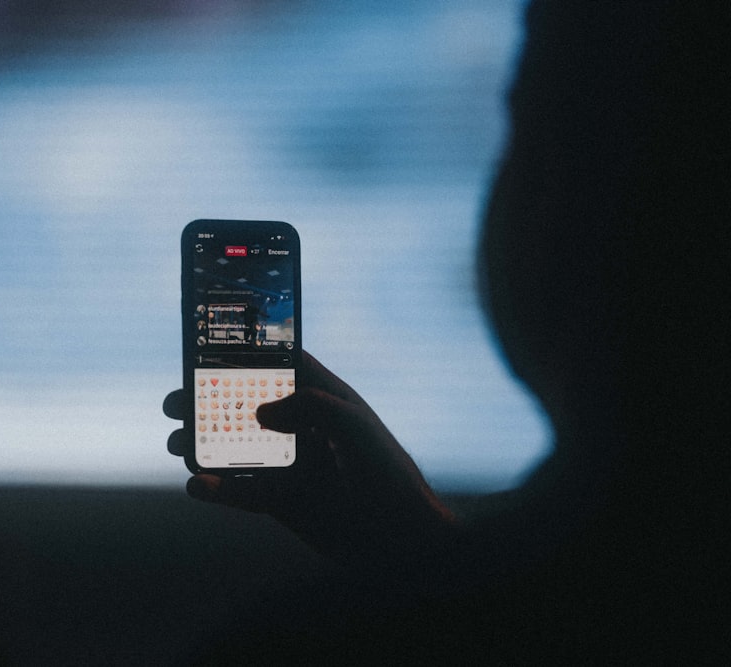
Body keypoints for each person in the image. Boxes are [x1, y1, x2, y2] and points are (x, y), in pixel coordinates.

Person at [164, 1, 728, 662]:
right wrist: (429, 548)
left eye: (524, 130)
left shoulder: (306, 645)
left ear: (565, 193)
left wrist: (438, 578)